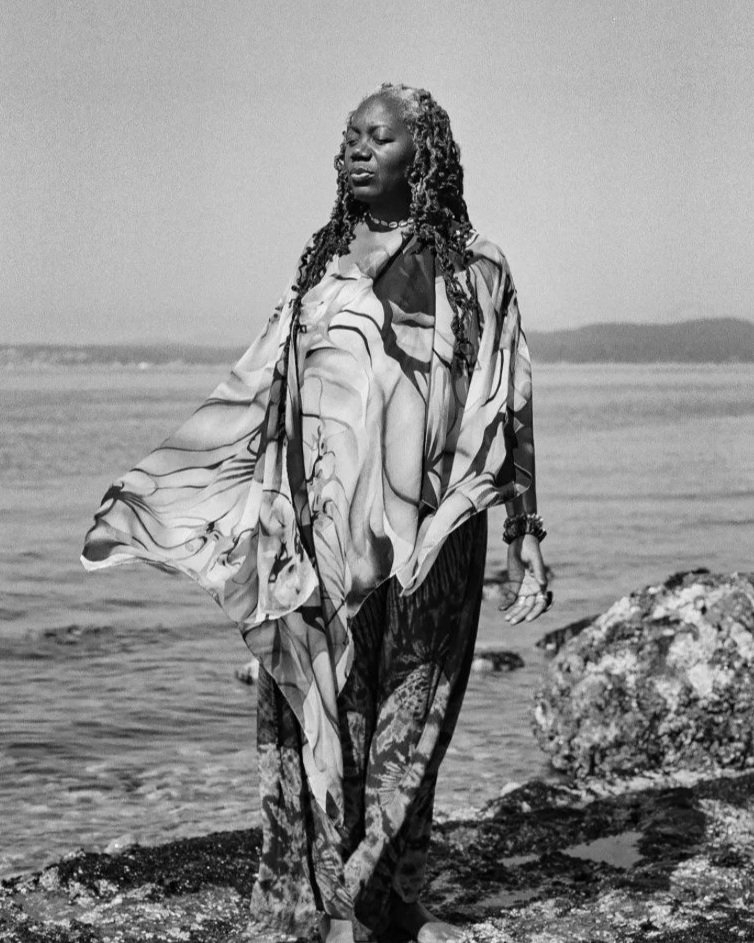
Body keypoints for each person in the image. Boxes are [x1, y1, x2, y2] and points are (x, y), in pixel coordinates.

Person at [82, 83, 551, 943]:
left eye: (377, 137)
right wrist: (160, 495)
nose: (356, 151)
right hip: (318, 543)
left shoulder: (477, 268)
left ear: (426, 154)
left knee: (415, 731)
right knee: (327, 729)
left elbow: (505, 402)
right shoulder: (322, 265)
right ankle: (338, 904)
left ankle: (380, 907)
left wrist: (525, 535)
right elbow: (255, 394)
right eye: (348, 138)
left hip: (432, 539)